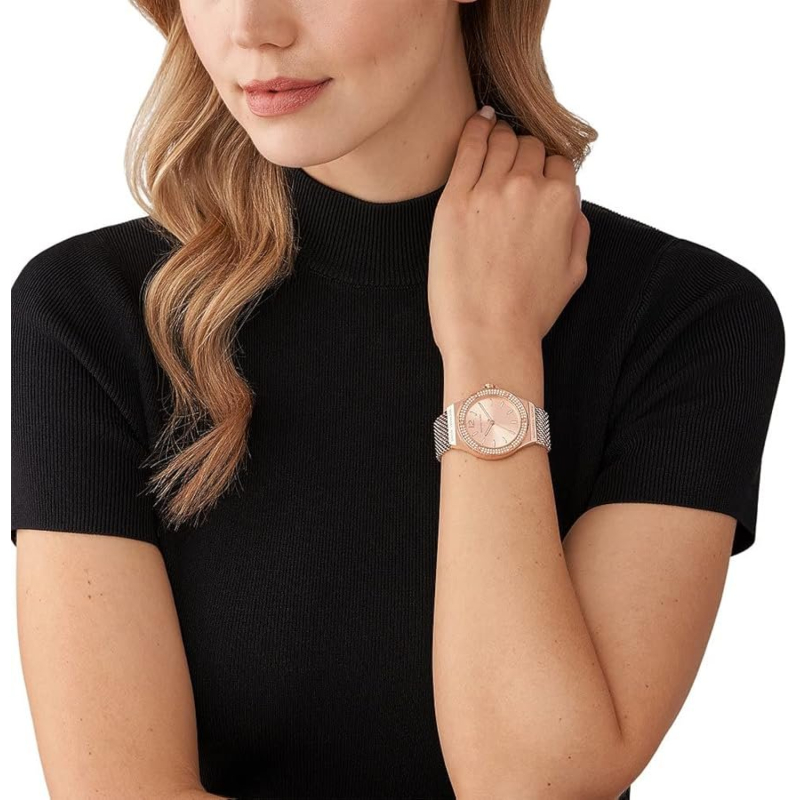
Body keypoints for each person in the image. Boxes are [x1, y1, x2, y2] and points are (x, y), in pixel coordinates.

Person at [11, 1, 785, 799]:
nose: (251, 26)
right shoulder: (95, 313)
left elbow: (532, 782)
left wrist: (490, 348)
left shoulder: (686, 321)